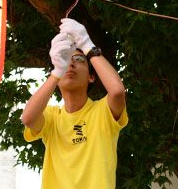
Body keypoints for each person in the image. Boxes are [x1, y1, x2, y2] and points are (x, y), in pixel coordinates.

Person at [22, 18, 128, 189]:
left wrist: (87, 45)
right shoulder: (52, 117)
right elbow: (28, 118)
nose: (70, 63)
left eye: (79, 59)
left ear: (91, 76)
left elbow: (117, 92)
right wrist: (57, 72)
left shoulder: (102, 112)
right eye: (65, 60)